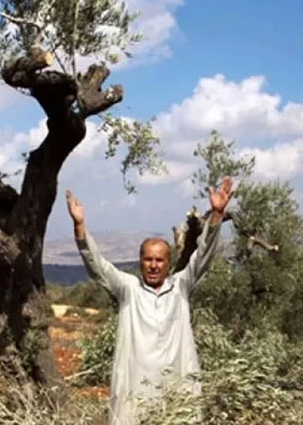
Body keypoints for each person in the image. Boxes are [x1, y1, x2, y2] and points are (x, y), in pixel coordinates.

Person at [64, 177, 232, 425]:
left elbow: (203, 256)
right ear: (140, 261)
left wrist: (217, 214)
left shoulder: (180, 287)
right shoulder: (128, 289)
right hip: (134, 398)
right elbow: (97, 266)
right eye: (148, 260)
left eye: (160, 260)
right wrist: (80, 227)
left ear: (168, 262)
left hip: (176, 396)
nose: (154, 266)